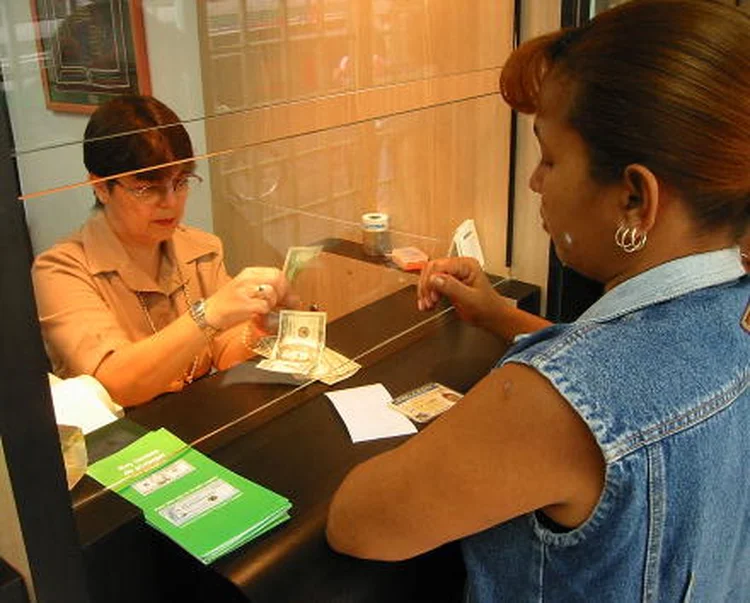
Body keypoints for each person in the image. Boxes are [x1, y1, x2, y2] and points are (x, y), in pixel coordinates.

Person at [326, 1, 749, 600]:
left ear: (635, 198)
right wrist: (499, 315)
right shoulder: (734, 311)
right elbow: (654, 365)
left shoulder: (555, 403)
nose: (535, 181)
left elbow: (360, 523)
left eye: (550, 157)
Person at [32, 95, 292, 407]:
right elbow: (115, 385)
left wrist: (260, 327)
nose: (170, 201)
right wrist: (207, 316)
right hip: (123, 444)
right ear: (101, 187)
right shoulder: (60, 270)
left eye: (180, 182)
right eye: (148, 187)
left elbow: (225, 353)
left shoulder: (201, 248)